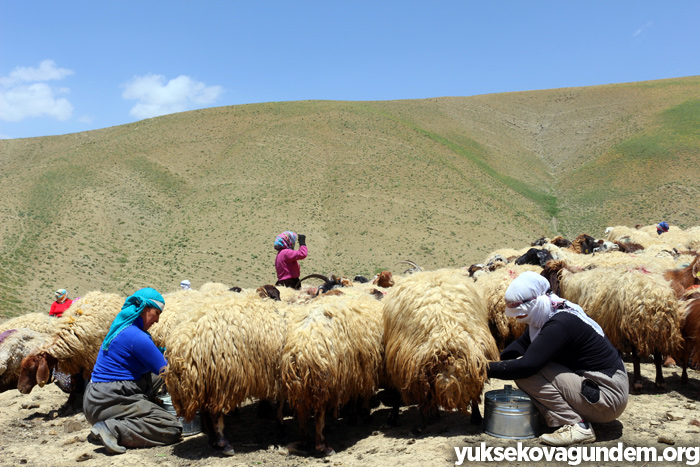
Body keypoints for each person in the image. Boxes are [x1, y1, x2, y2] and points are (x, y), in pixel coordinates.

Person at [487, 271, 628, 447]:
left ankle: (576, 425)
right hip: (605, 386)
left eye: (520, 312)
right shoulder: (549, 314)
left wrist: (482, 369)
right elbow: (518, 347)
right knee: (528, 361)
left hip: (607, 395)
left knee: (528, 372)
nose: (516, 318)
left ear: (535, 302)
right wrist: (491, 360)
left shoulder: (560, 323)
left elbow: (527, 365)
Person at [83, 287, 182, 454]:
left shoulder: (123, 329)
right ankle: (113, 429)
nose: (157, 320)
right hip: (110, 397)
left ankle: (114, 422)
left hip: (94, 398)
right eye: (156, 313)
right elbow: (166, 371)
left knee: (152, 375)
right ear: (144, 309)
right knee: (171, 427)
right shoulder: (137, 337)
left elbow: (154, 356)